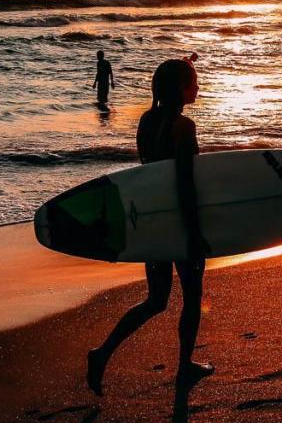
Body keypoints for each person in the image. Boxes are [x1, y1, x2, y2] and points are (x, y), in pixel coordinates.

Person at [87, 58, 213, 394]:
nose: (198, 87)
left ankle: (102, 353)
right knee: (192, 295)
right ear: (180, 89)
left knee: (156, 300)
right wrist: (195, 232)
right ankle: (185, 366)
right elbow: (185, 184)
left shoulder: (146, 121)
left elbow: (149, 173)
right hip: (177, 223)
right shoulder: (183, 127)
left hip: (153, 221)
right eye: (193, 82)